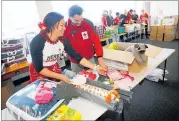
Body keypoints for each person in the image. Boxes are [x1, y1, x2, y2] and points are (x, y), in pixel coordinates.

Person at [64, 5, 108, 75]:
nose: (79, 22)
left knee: (94, 77)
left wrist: (100, 59)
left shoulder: (88, 23)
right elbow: (66, 47)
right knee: (77, 81)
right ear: (70, 17)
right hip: (75, 61)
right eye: (76, 20)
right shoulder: (65, 28)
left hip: (89, 58)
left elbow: (96, 41)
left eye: (81, 19)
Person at [29, 12, 71, 83]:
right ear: (52, 26)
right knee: (45, 93)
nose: (64, 28)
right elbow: (39, 69)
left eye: (64, 25)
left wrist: (95, 67)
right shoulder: (37, 42)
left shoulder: (62, 39)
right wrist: (61, 76)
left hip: (54, 69)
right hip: (41, 72)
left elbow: (75, 55)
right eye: (62, 25)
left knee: (57, 90)